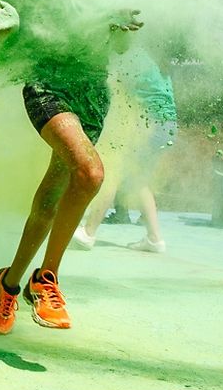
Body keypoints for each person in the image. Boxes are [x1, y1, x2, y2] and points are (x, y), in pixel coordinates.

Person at [0, 0, 140, 334]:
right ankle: (46, 279)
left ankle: (9, 285)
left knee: (54, 191)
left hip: (91, 89)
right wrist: (14, 29)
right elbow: (10, 42)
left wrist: (122, 28)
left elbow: (121, 43)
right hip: (45, 82)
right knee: (90, 173)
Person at [74, 46, 177, 253]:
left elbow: (116, 91)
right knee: (139, 181)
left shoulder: (134, 55)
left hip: (149, 124)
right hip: (168, 126)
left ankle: (88, 232)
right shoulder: (157, 59)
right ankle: (155, 239)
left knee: (111, 173)